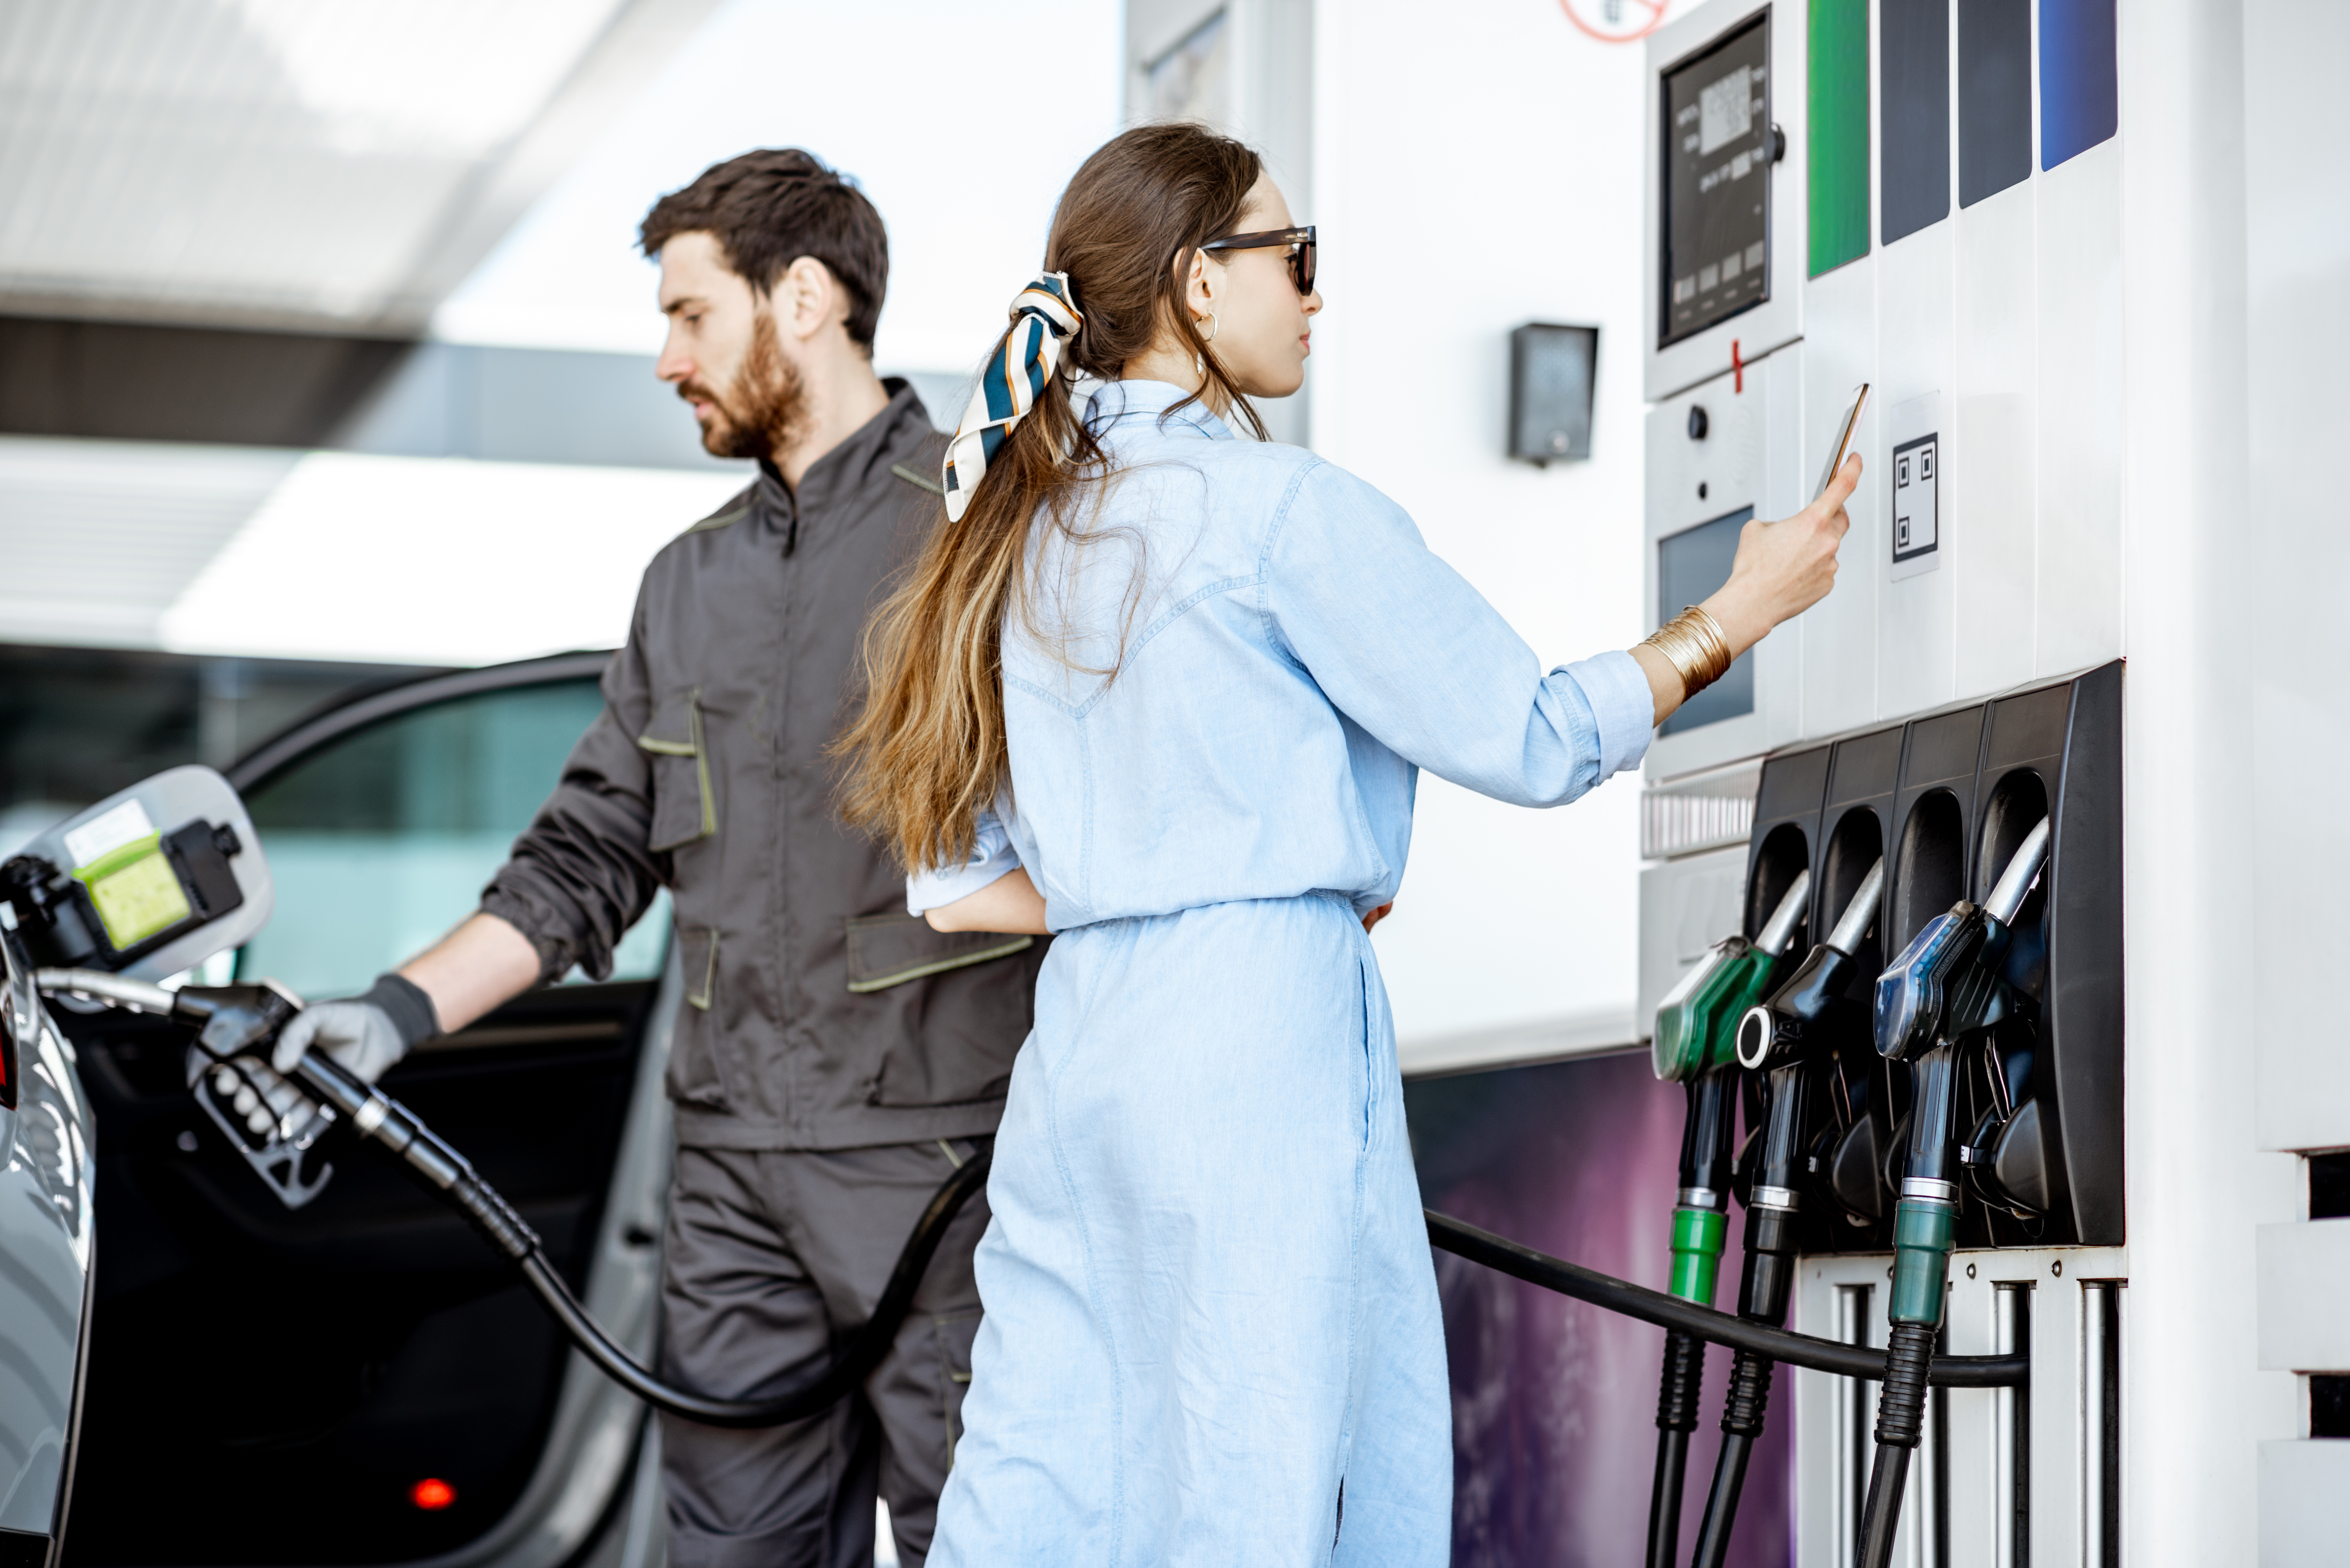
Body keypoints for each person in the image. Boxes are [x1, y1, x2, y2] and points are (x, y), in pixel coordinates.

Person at [836, 122, 1859, 1564]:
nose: (1314, 294)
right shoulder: (1279, 513)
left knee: (1054, 1464)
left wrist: (1139, 886)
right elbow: (1533, 736)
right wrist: (1732, 615)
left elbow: (950, 890)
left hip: (1085, 1043)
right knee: (1263, 1469)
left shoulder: (1017, 532)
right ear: (1199, 284)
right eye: (1293, 259)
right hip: (1254, 1028)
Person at [274, 150, 1044, 1568]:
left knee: (984, 1543)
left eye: (692, 315)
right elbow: (585, 859)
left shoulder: (980, 529)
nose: (666, 358)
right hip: (734, 1184)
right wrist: (390, 1014)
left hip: (950, 1172)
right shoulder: (685, 584)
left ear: (801, 297)